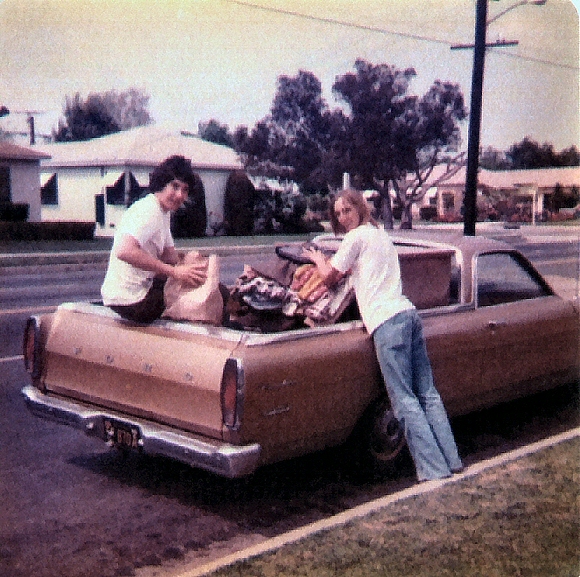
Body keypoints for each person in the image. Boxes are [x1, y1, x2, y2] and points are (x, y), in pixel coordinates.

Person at [303, 189, 463, 482]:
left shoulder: (355, 238)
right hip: (408, 315)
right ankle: (452, 462)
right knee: (427, 394)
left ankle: (434, 471)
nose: (342, 218)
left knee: (404, 400)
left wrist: (317, 258)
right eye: (337, 214)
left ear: (360, 208)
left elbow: (329, 278)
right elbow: (364, 271)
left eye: (346, 211)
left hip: (387, 324)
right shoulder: (381, 236)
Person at [101, 155, 208, 324]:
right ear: (161, 183)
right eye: (175, 186)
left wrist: (193, 264)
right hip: (133, 301)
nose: (180, 195)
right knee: (196, 301)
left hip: (131, 296)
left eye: (185, 190)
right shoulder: (150, 210)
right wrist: (175, 272)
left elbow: (169, 257)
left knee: (198, 286)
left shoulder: (163, 211)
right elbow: (124, 251)